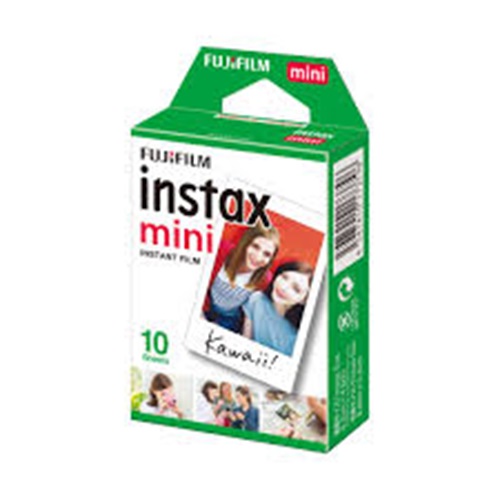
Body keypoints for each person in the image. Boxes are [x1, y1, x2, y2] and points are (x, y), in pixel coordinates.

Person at [205, 223, 280, 333]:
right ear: (245, 243)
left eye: (267, 254)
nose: (258, 257)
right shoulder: (221, 250)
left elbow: (254, 313)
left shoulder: (265, 280)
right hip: (207, 305)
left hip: (229, 319)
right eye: (255, 246)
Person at [242, 261, 313, 356]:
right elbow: (245, 341)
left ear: (304, 300)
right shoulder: (257, 299)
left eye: (296, 289)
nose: (283, 287)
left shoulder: (302, 335)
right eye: (284, 277)